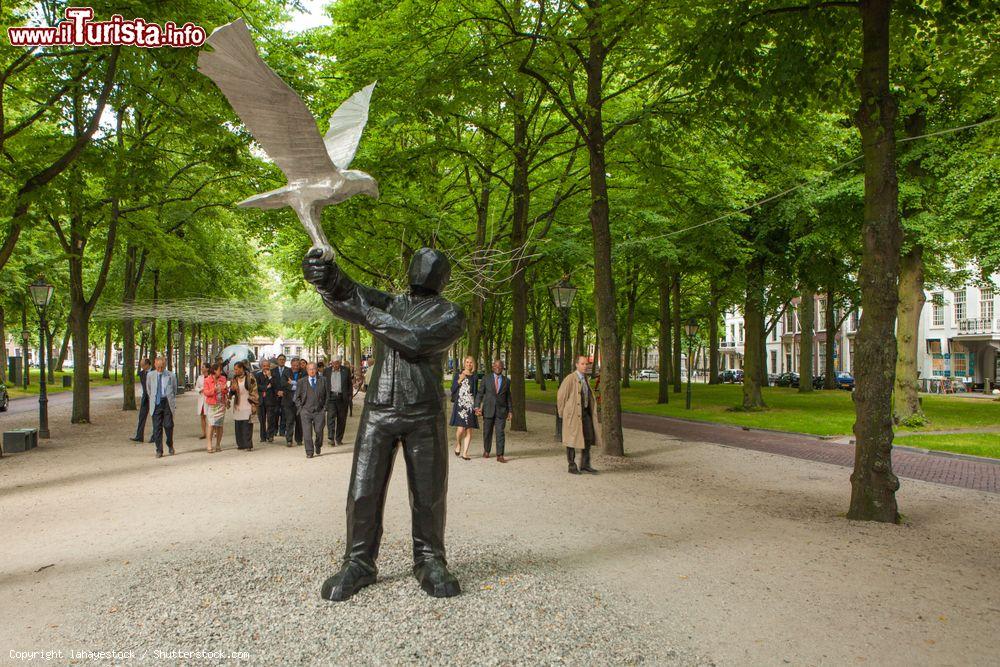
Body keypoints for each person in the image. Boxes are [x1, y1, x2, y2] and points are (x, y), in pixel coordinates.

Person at [304, 246, 466, 601]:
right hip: (379, 410)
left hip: (424, 411)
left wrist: (364, 314)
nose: (424, 270)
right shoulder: (390, 303)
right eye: (420, 264)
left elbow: (414, 340)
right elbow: (349, 292)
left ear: (444, 277)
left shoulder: (451, 313)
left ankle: (429, 559)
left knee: (428, 494)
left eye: (432, 266)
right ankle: (358, 561)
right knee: (363, 490)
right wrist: (325, 274)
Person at [557, 355, 602, 475]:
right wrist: (562, 413)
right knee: (571, 439)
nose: (585, 366)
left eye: (586, 364)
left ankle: (585, 464)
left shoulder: (586, 379)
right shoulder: (570, 378)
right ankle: (571, 465)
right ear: (576, 365)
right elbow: (561, 396)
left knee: (588, 437)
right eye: (582, 364)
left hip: (585, 413)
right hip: (573, 414)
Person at [475, 359, 512, 462]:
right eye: (496, 366)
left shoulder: (507, 381)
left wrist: (510, 411)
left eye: (500, 366)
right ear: (492, 367)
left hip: (501, 411)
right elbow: (480, 393)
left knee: (500, 432)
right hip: (488, 410)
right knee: (487, 432)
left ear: (503, 368)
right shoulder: (486, 379)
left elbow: (508, 397)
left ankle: (500, 455)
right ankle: (487, 450)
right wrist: (477, 406)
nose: (498, 368)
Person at [146, 357, 177, 458]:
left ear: (165, 365)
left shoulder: (171, 375)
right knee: (157, 428)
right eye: (158, 367)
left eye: (162, 367)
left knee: (168, 425)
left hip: (167, 402)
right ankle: (159, 450)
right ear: (155, 364)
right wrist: (154, 398)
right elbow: (149, 389)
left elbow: (174, 389)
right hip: (156, 403)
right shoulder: (150, 375)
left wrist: (170, 399)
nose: (160, 369)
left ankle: (170, 443)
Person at [449, 356, 479, 460]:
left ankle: (465, 453)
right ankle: (458, 444)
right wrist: (460, 379)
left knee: (469, 430)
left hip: (470, 405)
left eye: (471, 362)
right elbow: (452, 389)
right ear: (464, 363)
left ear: (473, 364)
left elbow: (475, 392)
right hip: (460, 405)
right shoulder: (458, 374)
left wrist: (476, 406)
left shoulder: (474, 377)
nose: (469, 364)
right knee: (460, 429)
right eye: (467, 362)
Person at [296, 362, 328, 458]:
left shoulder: (323, 380)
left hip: (319, 411)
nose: (312, 371)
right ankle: (309, 452)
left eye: (314, 368)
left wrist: (325, 408)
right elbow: (296, 397)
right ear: (307, 370)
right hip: (305, 411)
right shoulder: (301, 382)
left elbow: (327, 395)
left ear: (317, 369)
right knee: (307, 433)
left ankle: (318, 445)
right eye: (310, 369)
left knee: (319, 431)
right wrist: (300, 408)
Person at [229, 361, 258, 451]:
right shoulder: (234, 378)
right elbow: (231, 391)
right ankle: (240, 444)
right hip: (238, 404)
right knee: (238, 425)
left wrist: (254, 403)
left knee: (247, 425)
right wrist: (232, 391)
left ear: (242, 368)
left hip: (248, 403)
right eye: (234, 369)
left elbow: (254, 390)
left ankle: (248, 444)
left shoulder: (250, 377)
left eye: (237, 369)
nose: (235, 371)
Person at [324, 355, 352, 446]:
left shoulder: (346, 370)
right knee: (330, 418)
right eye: (333, 363)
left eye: (337, 363)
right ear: (331, 363)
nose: (335, 365)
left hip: (342, 398)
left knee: (341, 419)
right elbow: (324, 384)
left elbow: (349, 384)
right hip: (331, 397)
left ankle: (339, 439)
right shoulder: (327, 371)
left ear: (340, 363)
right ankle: (331, 438)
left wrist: (349, 396)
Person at [203, 363, 228, 453]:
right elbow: (206, 392)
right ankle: (209, 444)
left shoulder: (223, 378)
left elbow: (225, 391)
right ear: (214, 371)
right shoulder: (207, 380)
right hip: (212, 405)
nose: (220, 372)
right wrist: (213, 390)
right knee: (211, 424)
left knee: (220, 425)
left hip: (221, 404)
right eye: (219, 370)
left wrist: (224, 389)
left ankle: (218, 444)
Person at [130, 358, 152, 443]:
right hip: (145, 397)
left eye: (142, 365)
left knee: (155, 417)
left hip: (153, 397)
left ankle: (154, 437)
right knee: (142, 416)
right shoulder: (142, 373)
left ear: (147, 365)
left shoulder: (154, 372)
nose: (141, 367)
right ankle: (139, 436)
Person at [255, 360, 275, 442]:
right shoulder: (257, 375)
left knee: (270, 419)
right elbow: (257, 386)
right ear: (261, 367)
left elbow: (274, 385)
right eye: (264, 366)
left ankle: (270, 435)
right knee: (262, 420)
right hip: (261, 400)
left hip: (270, 400)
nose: (266, 367)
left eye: (267, 366)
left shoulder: (273, 375)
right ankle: (262, 437)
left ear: (269, 366)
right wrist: (266, 387)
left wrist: (270, 377)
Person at [272, 354, 292, 438]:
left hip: (285, 394)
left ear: (285, 360)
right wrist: (277, 391)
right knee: (275, 413)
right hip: (276, 395)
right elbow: (272, 383)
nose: (281, 361)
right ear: (277, 360)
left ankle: (282, 430)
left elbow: (290, 383)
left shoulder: (289, 370)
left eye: (283, 359)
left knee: (284, 413)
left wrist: (283, 391)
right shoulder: (273, 370)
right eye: (280, 359)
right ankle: (275, 429)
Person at [195, 363, 211, 441]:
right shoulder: (199, 378)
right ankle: (204, 433)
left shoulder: (211, 377)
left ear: (207, 369)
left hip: (209, 398)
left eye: (203, 367)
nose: (202, 368)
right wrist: (200, 389)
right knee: (202, 416)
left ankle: (211, 432)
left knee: (210, 416)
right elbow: (196, 387)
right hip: (201, 398)